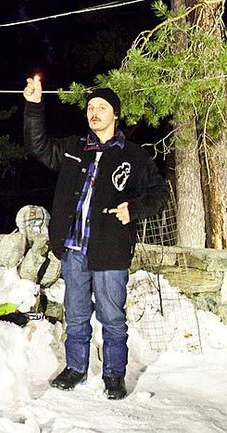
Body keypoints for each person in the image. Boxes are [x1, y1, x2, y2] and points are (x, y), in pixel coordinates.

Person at [22, 76, 169, 400]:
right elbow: (38, 146)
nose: (94, 112)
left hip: (110, 250)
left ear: (115, 114)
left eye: (102, 107)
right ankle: (75, 368)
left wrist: (134, 208)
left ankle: (114, 375)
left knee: (112, 317)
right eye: (90, 107)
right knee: (75, 315)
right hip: (74, 248)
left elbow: (160, 193)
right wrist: (33, 106)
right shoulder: (74, 148)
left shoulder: (134, 156)